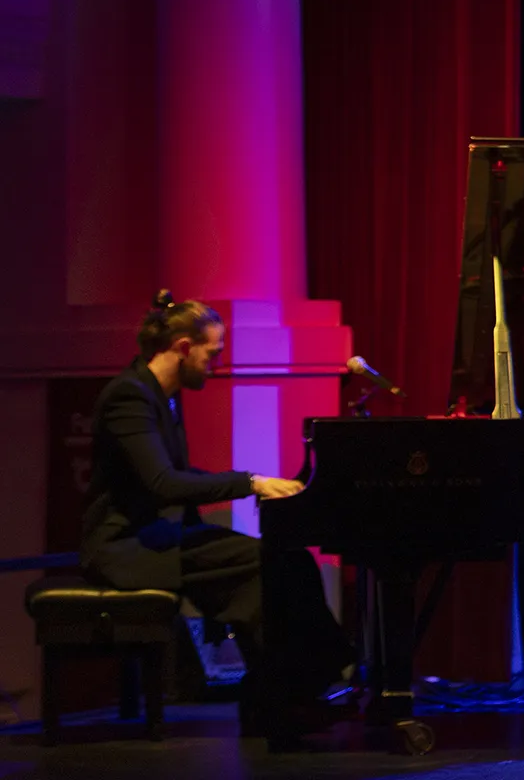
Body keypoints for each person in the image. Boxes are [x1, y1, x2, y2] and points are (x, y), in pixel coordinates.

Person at [80, 290, 355, 737]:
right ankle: (288, 694)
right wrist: (249, 482)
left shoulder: (163, 397)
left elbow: (178, 476)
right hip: (126, 546)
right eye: (213, 352)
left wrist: (258, 486)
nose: (217, 363)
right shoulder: (128, 397)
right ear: (184, 347)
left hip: (162, 536)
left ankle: (281, 693)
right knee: (267, 565)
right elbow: (163, 483)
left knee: (288, 562)